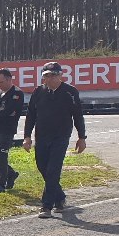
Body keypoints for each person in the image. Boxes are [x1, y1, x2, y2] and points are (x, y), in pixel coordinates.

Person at [22, 61, 87, 218]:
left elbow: (78, 115)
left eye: (52, 76)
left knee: (53, 170)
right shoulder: (38, 92)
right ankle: (60, 197)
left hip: (61, 136)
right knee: (42, 166)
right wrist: (27, 136)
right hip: (42, 136)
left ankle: (46, 206)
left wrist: (81, 137)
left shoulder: (70, 92)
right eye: (46, 76)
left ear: (60, 76)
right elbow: (30, 115)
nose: (49, 79)